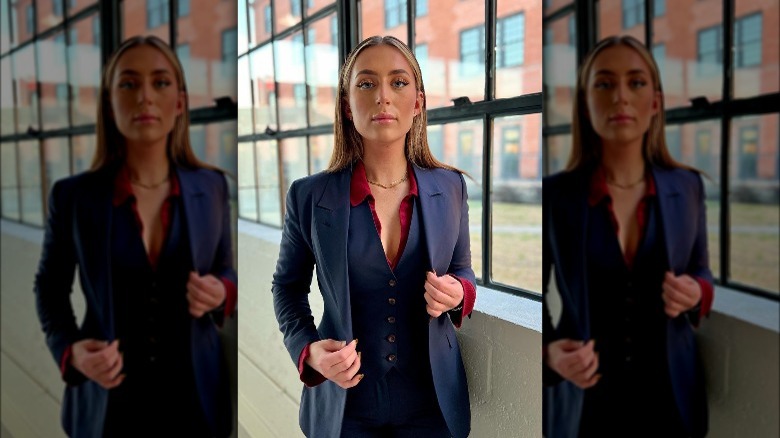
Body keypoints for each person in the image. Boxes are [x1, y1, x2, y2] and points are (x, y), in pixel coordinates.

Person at [272, 35, 476, 438]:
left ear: (417, 103)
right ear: (348, 107)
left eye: (398, 82)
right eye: (366, 84)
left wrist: (459, 294)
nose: (383, 96)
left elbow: (462, 270)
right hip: (345, 408)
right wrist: (307, 350)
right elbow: (287, 287)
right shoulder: (309, 195)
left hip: (431, 403)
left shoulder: (450, 187)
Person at [34, 35, 236, 438]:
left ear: (179, 102)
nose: (145, 95)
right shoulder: (73, 197)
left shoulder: (212, 186)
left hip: (195, 400)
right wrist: (70, 351)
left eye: (160, 82)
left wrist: (223, 291)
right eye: (128, 84)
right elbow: (49, 288)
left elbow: (226, 270)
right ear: (110, 104)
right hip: (108, 408)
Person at [542, 35, 714, 438]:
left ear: (655, 101)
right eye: (604, 83)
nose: (620, 96)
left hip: (670, 399)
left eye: (635, 82)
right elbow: (533, 293)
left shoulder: (688, 186)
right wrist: (549, 352)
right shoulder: (556, 195)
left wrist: (698, 292)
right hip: (586, 406)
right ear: (586, 103)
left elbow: (701, 270)